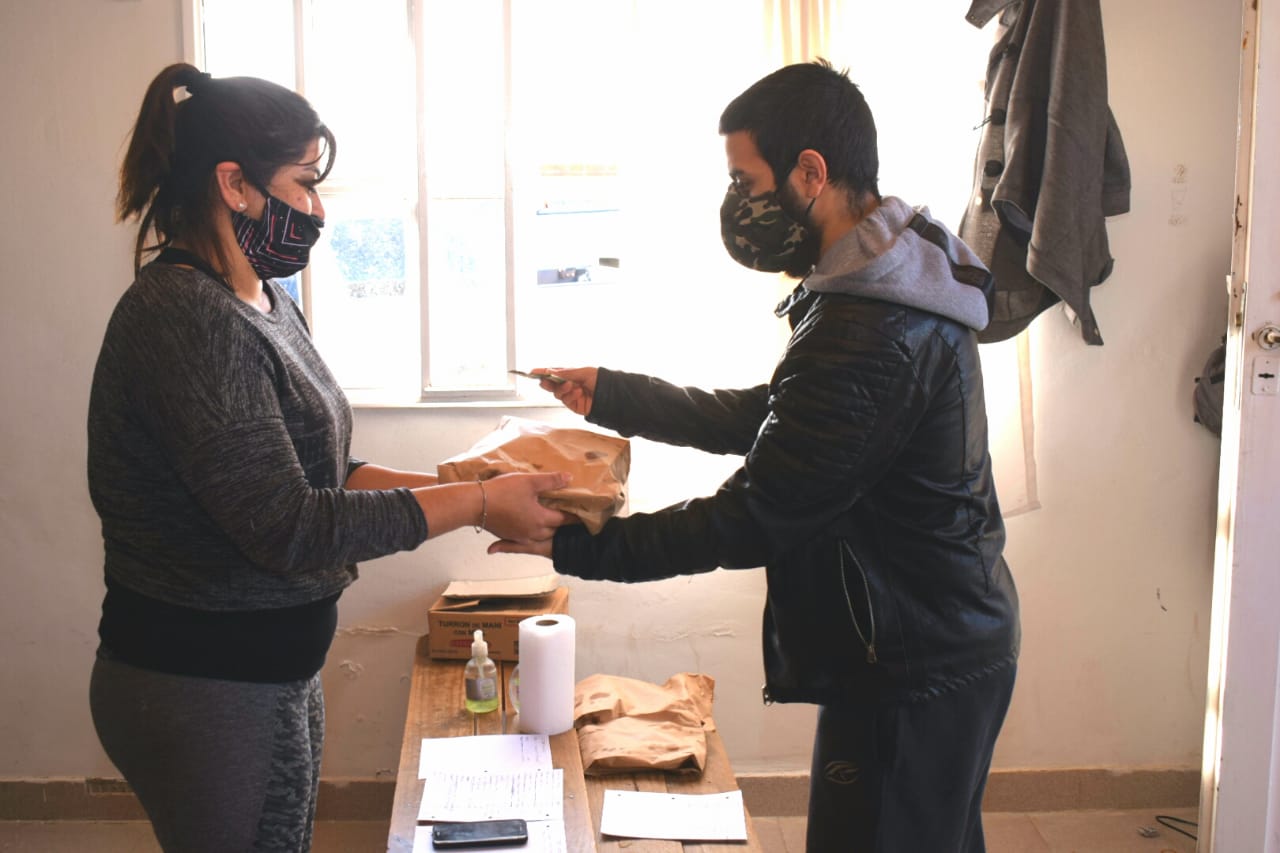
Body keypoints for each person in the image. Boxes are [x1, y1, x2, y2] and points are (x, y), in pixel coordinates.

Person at [490, 60, 1020, 852]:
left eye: (746, 178)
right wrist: (616, 394)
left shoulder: (871, 329)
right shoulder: (879, 278)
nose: (738, 201)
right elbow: (780, 415)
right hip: (931, 633)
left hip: (916, 659)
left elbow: (751, 516)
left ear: (812, 172)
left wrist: (573, 544)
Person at [87, 63, 569, 853]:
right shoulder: (184, 319)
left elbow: (327, 472)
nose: (316, 209)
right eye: (305, 183)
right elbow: (291, 527)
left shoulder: (268, 301)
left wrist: (472, 483)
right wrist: (480, 505)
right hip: (200, 677)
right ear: (234, 184)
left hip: (274, 665)